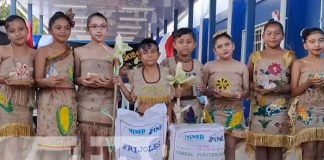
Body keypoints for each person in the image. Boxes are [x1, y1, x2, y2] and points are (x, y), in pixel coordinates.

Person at [247, 19, 296, 160]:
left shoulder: (289, 56)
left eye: (277, 33)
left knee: (276, 144)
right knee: (260, 143)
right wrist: (254, 87)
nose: (273, 36)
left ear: (283, 35)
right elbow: (247, 80)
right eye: (268, 33)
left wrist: (278, 90)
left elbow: (294, 84)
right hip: (259, 105)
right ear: (263, 37)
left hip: (281, 108)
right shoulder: (255, 56)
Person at [35, 11, 77, 160]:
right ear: (50, 29)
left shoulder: (73, 52)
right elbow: (37, 80)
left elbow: (76, 78)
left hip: (69, 101)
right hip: (49, 101)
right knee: (49, 145)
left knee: (65, 145)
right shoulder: (43, 51)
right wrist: (46, 82)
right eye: (58, 27)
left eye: (66, 28)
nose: (63, 31)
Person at [202, 32, 249, 160]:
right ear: (214, 50)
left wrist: (240, 95)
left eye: (227, 44)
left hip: (234, 111)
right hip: (214, 112)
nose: (224, 48)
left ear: (233, 46)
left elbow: (247, 91)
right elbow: (202, 90)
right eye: (220, 46)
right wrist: (211, 92)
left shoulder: (241, 66)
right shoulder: (209, 66)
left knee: (230, 146)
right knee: (213, 146)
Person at [74, 12, 114, 160]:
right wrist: (82, 81)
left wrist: (110, 84)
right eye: (94, 26)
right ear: (87, 30)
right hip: (85, 105)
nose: (99, 30)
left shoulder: (115, 53)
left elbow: (116, 81)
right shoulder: (78, 52)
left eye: (103, 26)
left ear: (107, 29)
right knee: (88, 148)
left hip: (107, 106)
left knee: (104, 149)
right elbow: (75, 78)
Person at [0, 15, 36, 160]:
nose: (18, 33)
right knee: (10, 141)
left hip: (25, 105)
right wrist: (4, 79)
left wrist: (32, 81)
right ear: (7, 34)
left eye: (21, 29)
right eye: (13, 31)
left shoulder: (35, 54)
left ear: (27, 30)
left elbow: (40, 78)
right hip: (6, 104)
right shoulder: (2, 50)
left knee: (23, 143)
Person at [116, 38, 177, 122]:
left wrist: (169, 124)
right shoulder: (135, 74)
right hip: (142, 119)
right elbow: (132, 100)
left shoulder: (168, 72)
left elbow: (169, 102)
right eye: (145, 53)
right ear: (140, 56)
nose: (149, 55)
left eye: (153, 52)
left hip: (161, 120)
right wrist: (121, 84)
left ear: (159, 54)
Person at [289, 27, 324, 160]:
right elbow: (293, 92)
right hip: (305, 110)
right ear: (305, 45)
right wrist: (308, 83)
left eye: (321, 40)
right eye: (312, 41)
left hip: (323, 109)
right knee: (309, 149)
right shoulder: (299, 63)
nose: (317, 44)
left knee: (321, 151)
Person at [161, 27, 204, 123]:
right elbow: (159, 87)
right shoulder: (167, 63)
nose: (185, 45)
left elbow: (203, 89)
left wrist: (203, 89)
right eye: (181, 42)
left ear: (194, 45)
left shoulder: (198, 65)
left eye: (189, 42)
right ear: (174, 45)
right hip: (173, 109)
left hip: (195, 108)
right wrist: (172, 92)